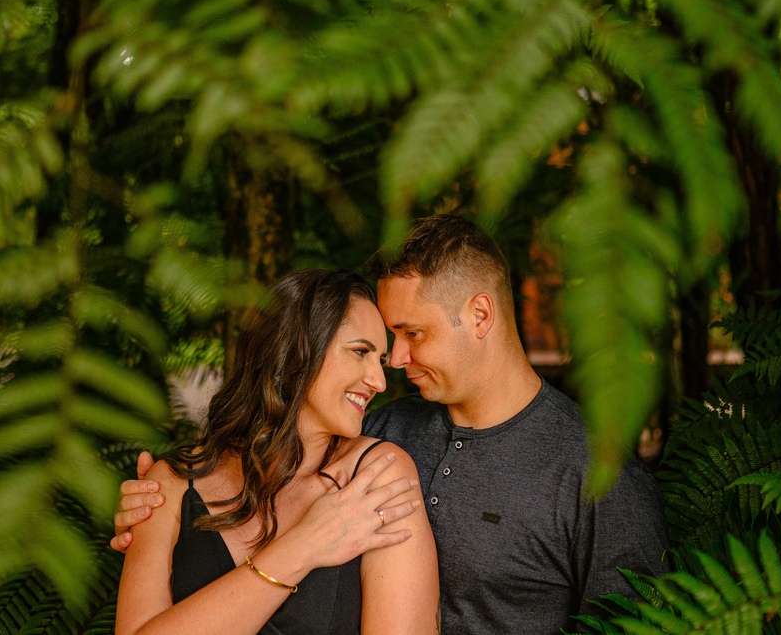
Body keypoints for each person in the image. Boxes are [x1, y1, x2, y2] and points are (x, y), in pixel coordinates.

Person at [115, 217, 669, 634]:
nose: (395, 362)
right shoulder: (379, 433)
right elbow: (274, 461)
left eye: (411, 334)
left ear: (479, 315)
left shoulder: (596, 473)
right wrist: (156, 512)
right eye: (383, 342)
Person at [114, 268, 439, 635]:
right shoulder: (168, 485)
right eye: (360, 351)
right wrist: (304, 545)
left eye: (379, 360)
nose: (379, 382)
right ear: (295, 349)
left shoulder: (379, 477)